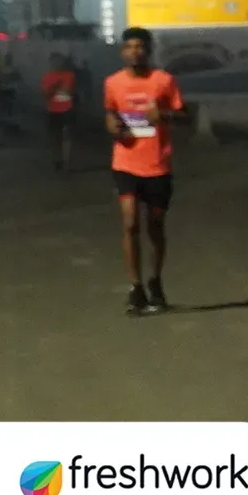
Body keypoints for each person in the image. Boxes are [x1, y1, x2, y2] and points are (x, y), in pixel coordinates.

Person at [104, 28, 187, 314]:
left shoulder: (164, 81)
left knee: (155, 225)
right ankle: (135, 287)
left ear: (148, 50)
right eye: (129, 47)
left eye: (140, 46)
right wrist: (112, 126)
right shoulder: (113, 83)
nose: (134, 51)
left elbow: (185, 115)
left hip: (157, 165)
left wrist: (163, 115)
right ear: (122, 52)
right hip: (125, 162)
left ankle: (155, 281)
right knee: (130, 223)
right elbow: (111, 113)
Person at [42, 53, 78, 171]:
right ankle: (57, 159)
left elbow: (73, 92)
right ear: (51, 63)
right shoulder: (48, 77)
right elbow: (46, 95)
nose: (58, 63)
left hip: (68, 110)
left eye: (60, 61)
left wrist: (70, 94)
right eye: (55, 61)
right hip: (53, 110)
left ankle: (66, 161)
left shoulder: (70, 75)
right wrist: (55, 87)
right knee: (55, 136)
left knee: (67, 135)